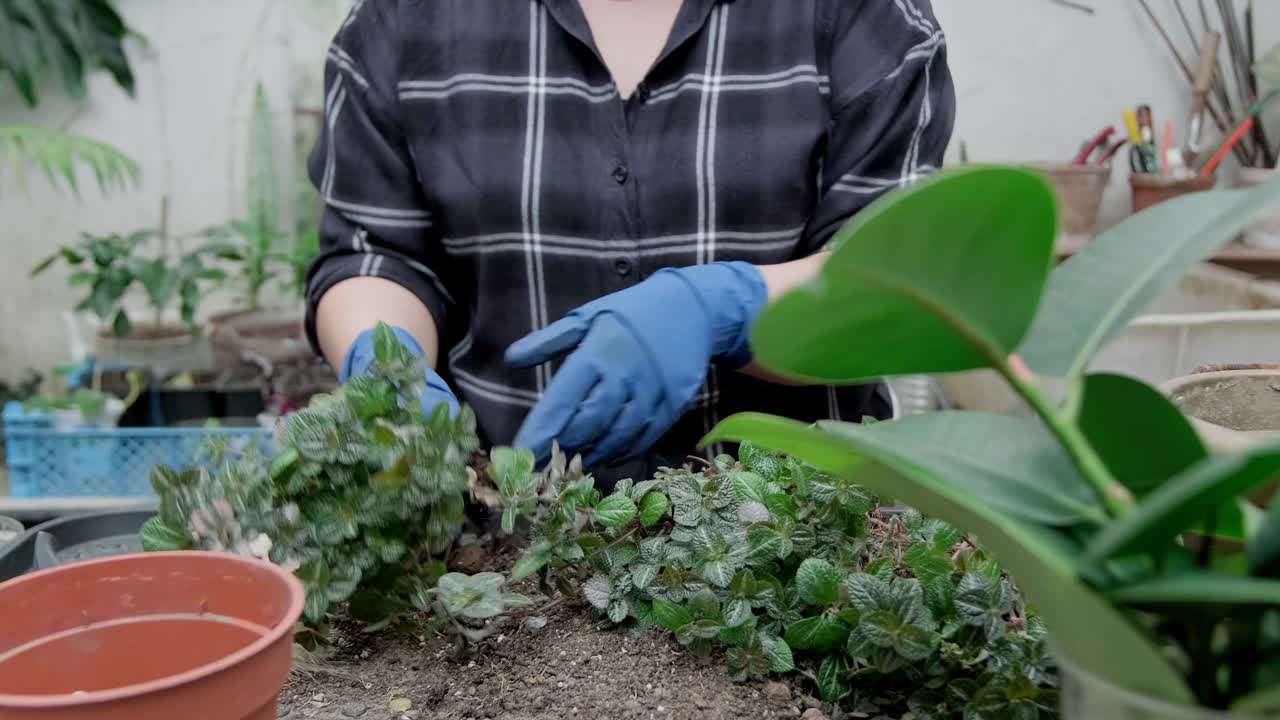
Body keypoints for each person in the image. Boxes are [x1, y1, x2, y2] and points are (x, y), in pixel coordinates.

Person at [306, 0, 955, 488]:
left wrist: (731, 308)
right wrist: (385, 367)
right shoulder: (403, 21)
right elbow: (375, 250)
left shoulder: (863, 16)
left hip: (791, 548)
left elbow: (895, 287)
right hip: (502, 552)